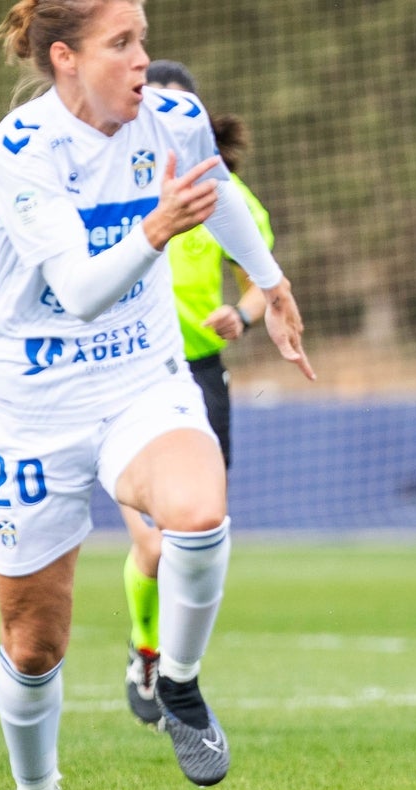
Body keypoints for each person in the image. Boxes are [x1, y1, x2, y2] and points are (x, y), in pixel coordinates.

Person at [0, 1, 315, 790]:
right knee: (33, 646)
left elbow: (219, 190)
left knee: (199, 513)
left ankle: (179, 680)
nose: (142, 60)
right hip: (36, 406)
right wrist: (158, 229)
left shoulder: (172, 116)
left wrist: (270, 284)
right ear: (65, 58)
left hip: (142, 379)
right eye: (121, 44)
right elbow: (86, 292)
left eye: (143, 40)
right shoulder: (21, 151)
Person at [120, 58, 272, 727]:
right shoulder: (112, 189)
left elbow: (262, 283)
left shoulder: (226, 198)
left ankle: (180, 668)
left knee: (194, 535)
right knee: (152, 547)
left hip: (201, 377)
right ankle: (147, 653)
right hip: (128, 376)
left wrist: (241, 315)